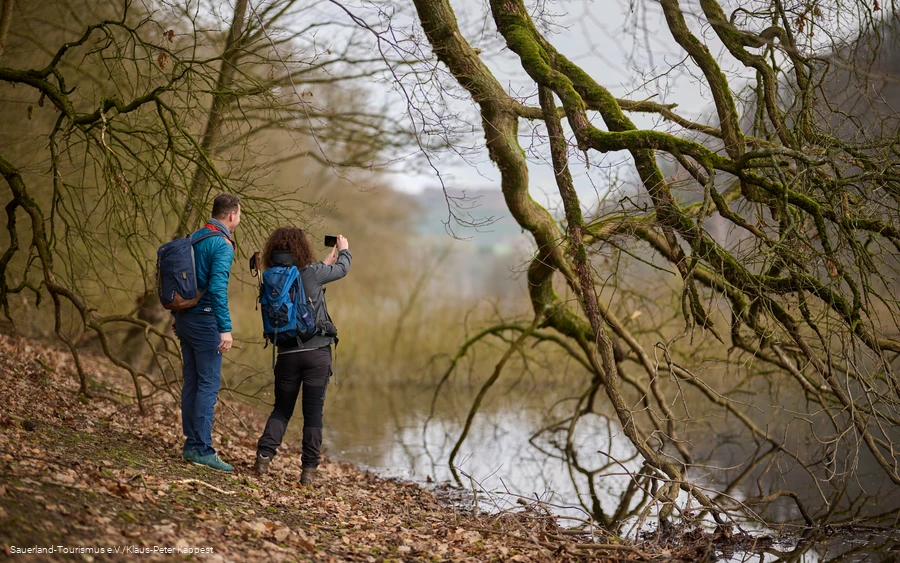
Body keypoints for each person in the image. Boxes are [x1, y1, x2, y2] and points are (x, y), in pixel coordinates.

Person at [254, 227, 351, 485]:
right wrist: (344, 251)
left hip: (286, 353)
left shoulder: (270, 276)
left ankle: (263, 457)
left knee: (282, 410)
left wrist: (323, 263)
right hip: (316, 353)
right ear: (301, 248)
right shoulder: (310, 272)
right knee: (313, 414)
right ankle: (308, 472)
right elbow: (342, 269)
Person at [175, 193, 241, 472]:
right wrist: (224, 328)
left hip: (185, 319)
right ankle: (202, 449)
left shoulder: (194, 237)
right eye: (239, 214)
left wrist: (177, 315)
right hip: (204, 322)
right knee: (207, 384)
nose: (239, 218)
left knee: (192, 381)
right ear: (231, 215)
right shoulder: (222, 244)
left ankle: (192, 444)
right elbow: (216, 289)